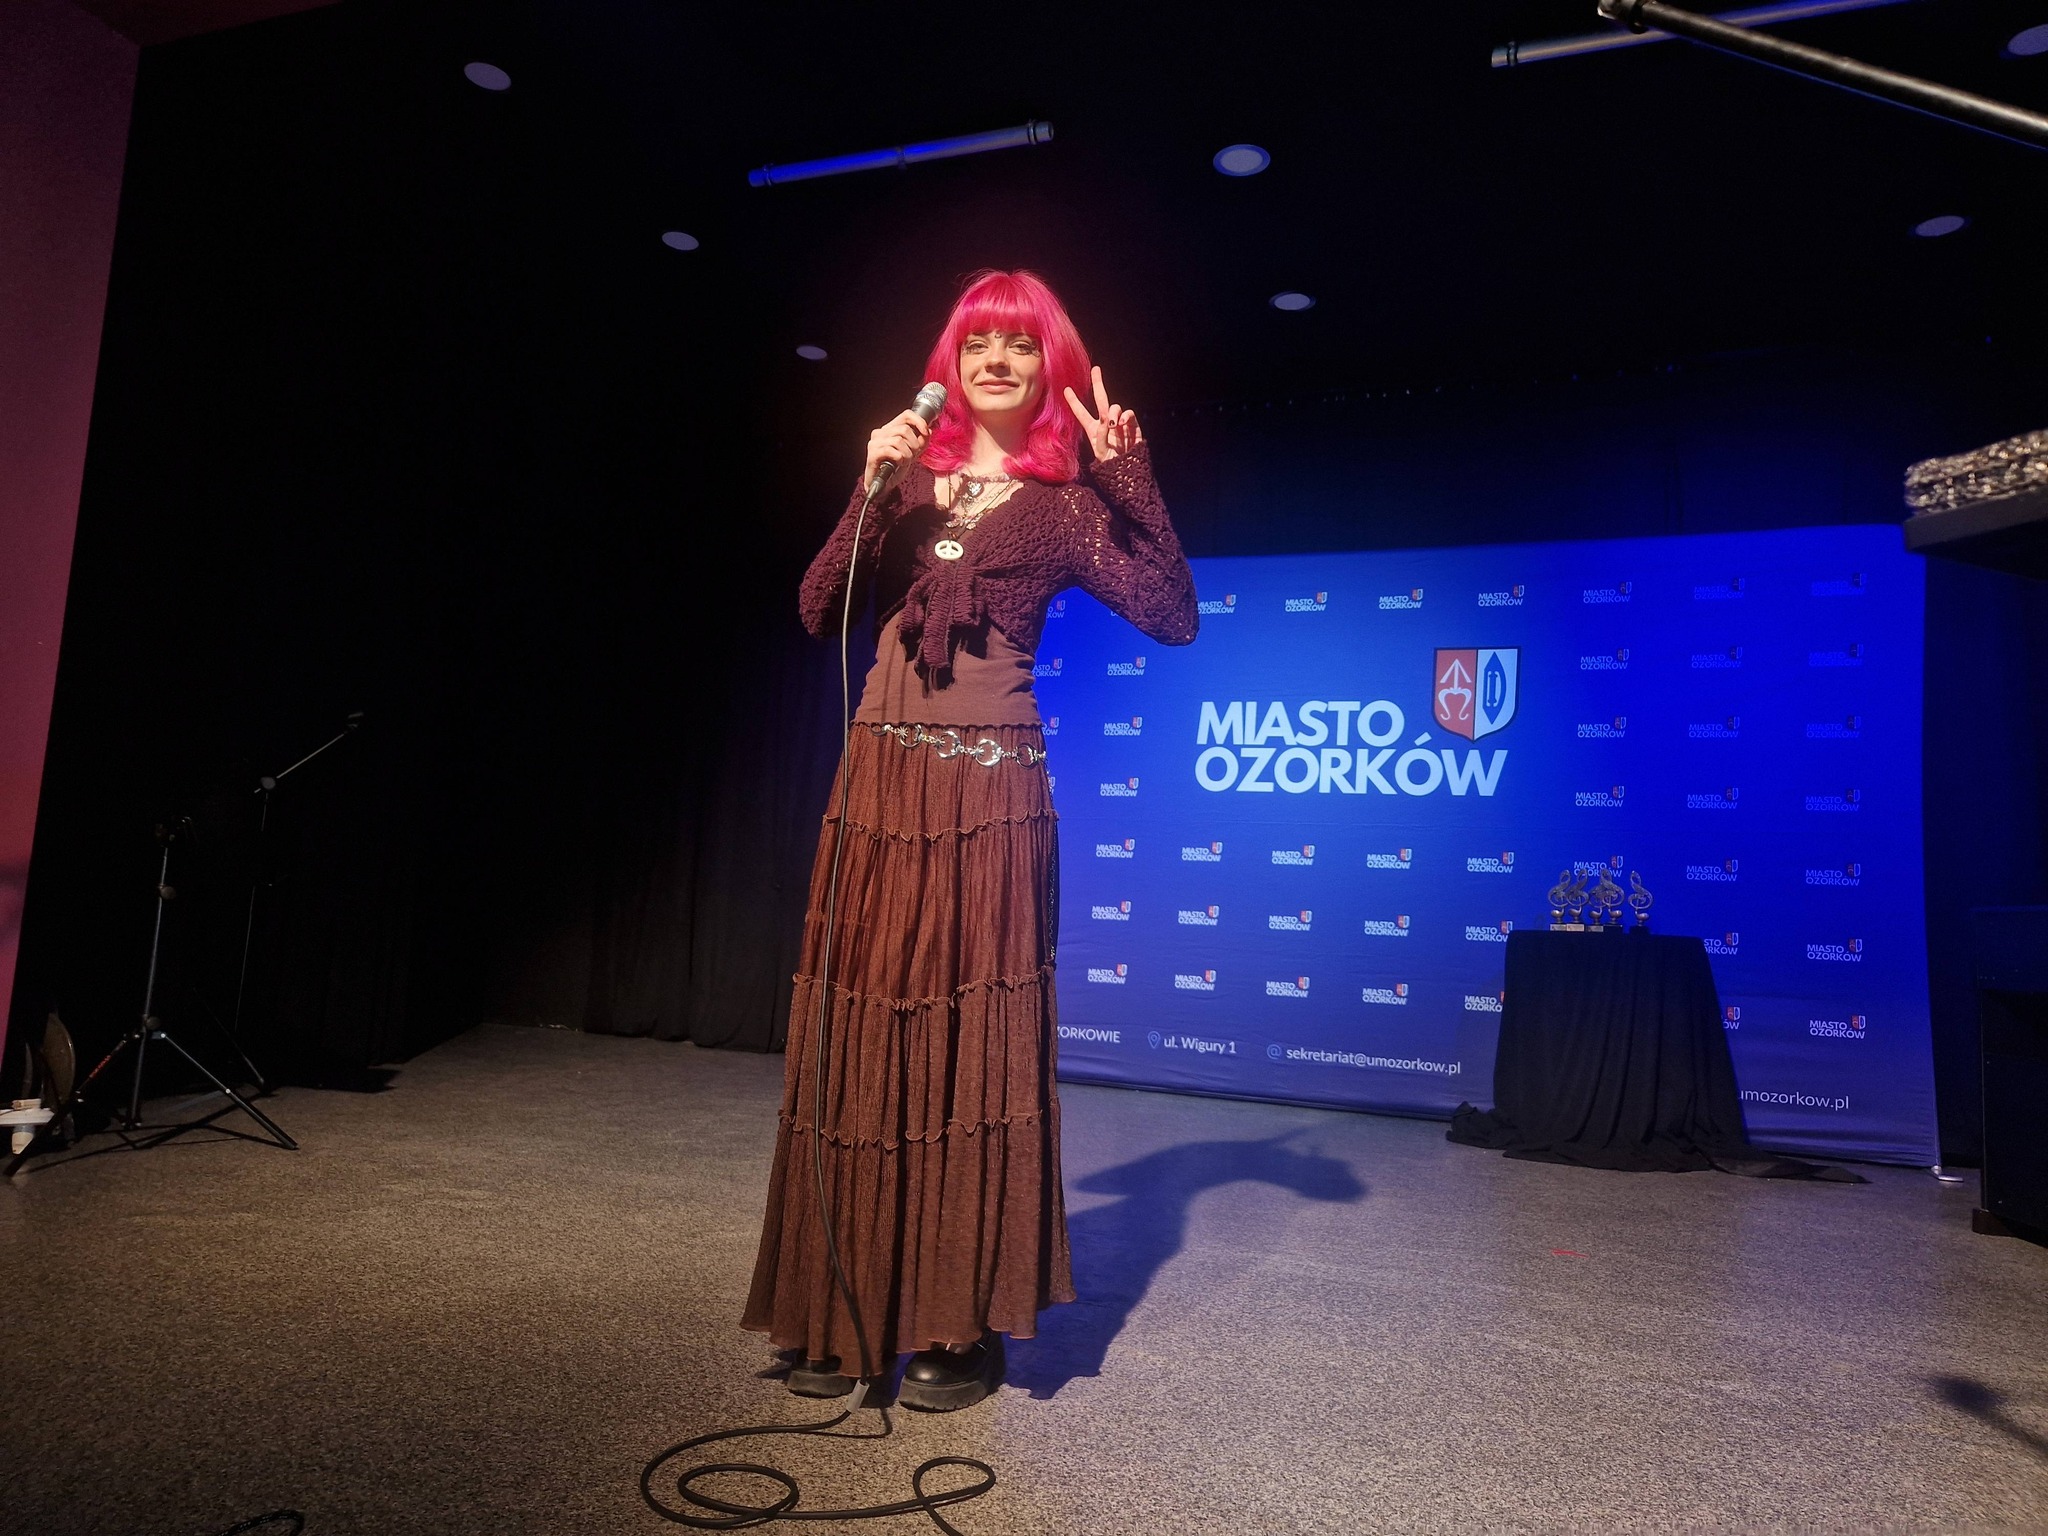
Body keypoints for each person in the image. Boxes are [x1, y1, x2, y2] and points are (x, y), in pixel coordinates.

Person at [742, 269, 1197, 1412]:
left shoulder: (1065, 503)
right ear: (949, 361)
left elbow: (1171, 615)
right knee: (861, 1035)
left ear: (1049, 367)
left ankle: (956, 1323)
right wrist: (867, 488)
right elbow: (816, 607)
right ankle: (834, 1309)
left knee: (966, 1045)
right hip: (878, 783)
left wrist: (1128, 477)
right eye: (977, 341)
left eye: (1019, 344)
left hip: (989, 792)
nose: (995, 360)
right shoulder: (903, 483)